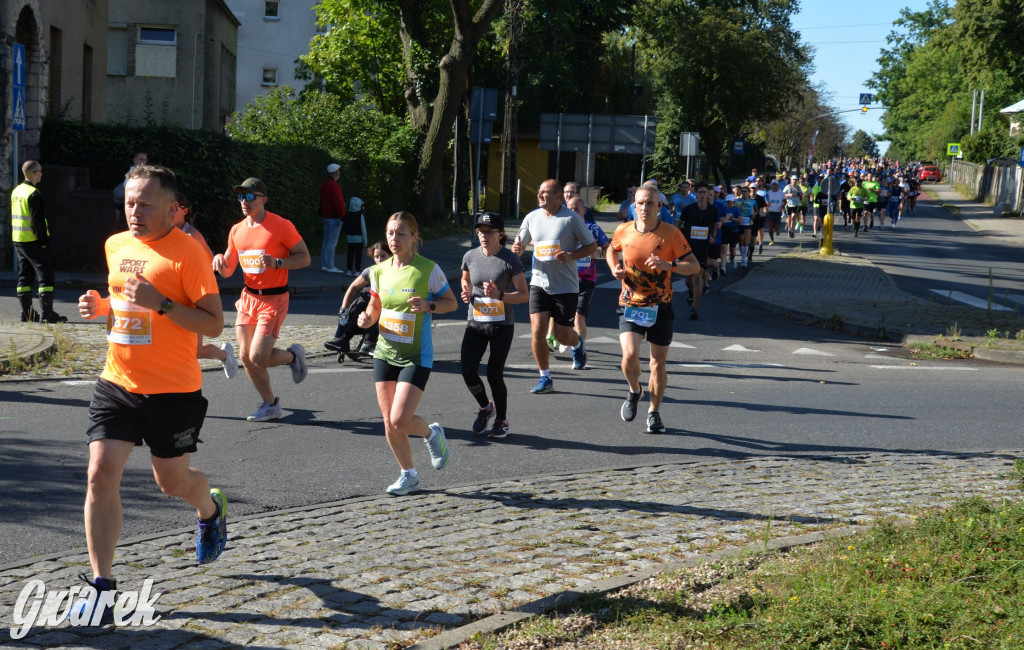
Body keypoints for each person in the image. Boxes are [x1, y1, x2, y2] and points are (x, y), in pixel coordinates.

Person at [76, 165, 228, 622]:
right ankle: (103, 588)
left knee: (172, 484)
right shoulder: (116, 245)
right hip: (117, 382)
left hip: (173, 392)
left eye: (145, 204)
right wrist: (99, 307)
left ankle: (209, 508)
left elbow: (214, 323)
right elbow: (123, 304)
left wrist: (161, 302)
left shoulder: (188, 253)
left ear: (171, 207)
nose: (135, 212)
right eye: (129, 202)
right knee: (100, 476)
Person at [358, 211, 458, 495]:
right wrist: (366, 318)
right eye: (390, 233)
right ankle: (408, 475)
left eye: (401, 234)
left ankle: (431, 433)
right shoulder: (379, 271)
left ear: (414, 237)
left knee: (401, 419)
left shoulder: (428, 269)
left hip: (416, 355)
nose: (394, 239)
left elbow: (451, 303)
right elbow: (375, 307)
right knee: (389, 420)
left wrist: (430, 306)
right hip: (384, 352)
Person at [212, 177, 311, 422]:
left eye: (250, 196)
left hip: (274, 299)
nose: (244, 202)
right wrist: (218, 262)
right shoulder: (237, 229)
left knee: (258, 357)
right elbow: (227, 269)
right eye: (240, 197)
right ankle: (271, 404)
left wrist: (279, 263)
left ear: (263, 199)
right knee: (245, 356)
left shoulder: (281, 225)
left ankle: (293, 356)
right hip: (248, 298)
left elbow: (305, 258)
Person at [607, 185, 698, 433]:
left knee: (657, 364)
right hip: (630, 304)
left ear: (659, 207)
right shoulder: (623, 230)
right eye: (640, 203)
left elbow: (694, 266)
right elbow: (611, 249)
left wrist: (669, 265)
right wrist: (614, 267)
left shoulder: (671, 234)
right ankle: (635, 390)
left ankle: (654, 413)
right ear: (633, 206)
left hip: (661, 306)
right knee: (629, 356)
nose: (644, 207)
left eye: (650, 203)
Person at [511, 179, 598, 391]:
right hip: (539, 283)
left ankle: (577, 345)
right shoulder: (532, 217)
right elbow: (520, 243)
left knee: (563, 335)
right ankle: (545, 377)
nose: (540, 195)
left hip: (566, 287)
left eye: (545, 192)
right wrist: (518, 248)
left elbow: (592, 246)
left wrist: (571, 255)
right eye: (539, 191)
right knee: (538, 331)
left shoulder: (571, 219)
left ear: (559, 197)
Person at [460, 211, 529, 439]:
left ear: (500, 234)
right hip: (476, 323)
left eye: (489, 232)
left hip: (502, 325)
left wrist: (500, 295)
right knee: (468, 370)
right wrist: (466, 289)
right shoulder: (470, 256)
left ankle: (502, 420)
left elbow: (523, 295)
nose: (483, 235)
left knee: (494, 373)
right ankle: (485, 407)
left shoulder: (510, 260)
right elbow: (465, 278)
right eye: (480, 231)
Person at [171, 192, 238, 379]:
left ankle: (225, 355)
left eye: (174, 208)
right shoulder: (161, 231)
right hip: (170, 296)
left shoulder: (191, 235)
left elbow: (209, 261)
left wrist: (217, 259)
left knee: (196, 351)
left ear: (184, 211)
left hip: (192, 298)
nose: (168, 211)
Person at [12, 160, 66, 323]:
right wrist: (43, 241)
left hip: (19, 240)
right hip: (34, 241)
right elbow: (38, 221)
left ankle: (27, 313)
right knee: (46, 276)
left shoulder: (17, 191)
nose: (42, 173)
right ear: (34, 173)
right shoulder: (34, 194)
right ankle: (47, 313)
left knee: (24, 277)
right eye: (40, 171)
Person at [324, 241, 391, 361]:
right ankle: (343, 340)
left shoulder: (396, 272)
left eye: (383, 256)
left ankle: (369, 342)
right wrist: (343, 309)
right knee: (360, 302)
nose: (379, 259)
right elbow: (353, 287)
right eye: (376, 256)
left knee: (373, 304)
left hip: (384, 307)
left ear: (391, 255)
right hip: (368, 305)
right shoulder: (371, 271)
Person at [679, 181, 718, 320]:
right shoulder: (689, 209)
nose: (702, 195)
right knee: (688, 278)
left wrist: (713, 236)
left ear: (708, 194)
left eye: (704, 192)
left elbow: (714, 225)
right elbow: (678, 225)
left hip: (703, 247)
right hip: (688, 247)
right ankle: (691, 292)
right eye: (699, 192)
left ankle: (694, 309)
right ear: (696, 194)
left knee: (698, 277)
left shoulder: (713, 210)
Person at [319, 163, 346, 274]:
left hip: (325, 216)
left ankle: (324, 264)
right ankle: (330, 266)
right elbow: (338, 202)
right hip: (334, 217)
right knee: (332, 243)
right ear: (336, 172)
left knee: (326, 241)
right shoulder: (334, 185)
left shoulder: (325, 184)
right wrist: (343, 215)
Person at [343, 196, 368, 276]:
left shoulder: (348, 215)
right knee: (358, 256)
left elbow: (345, 227)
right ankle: (357, 270)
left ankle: (349, 270)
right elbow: (363, 230)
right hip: (359, 240)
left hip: (350, 239)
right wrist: (365, 241)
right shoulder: (360, 216)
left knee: (350, 255)